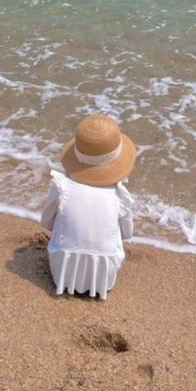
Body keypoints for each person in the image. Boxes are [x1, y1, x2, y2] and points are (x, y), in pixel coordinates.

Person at [40, 113, 136, 299]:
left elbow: (46, 222)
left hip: (61, 272)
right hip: (104, 279)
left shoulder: (62, 187)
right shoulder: (120, 195)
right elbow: (127, 233)